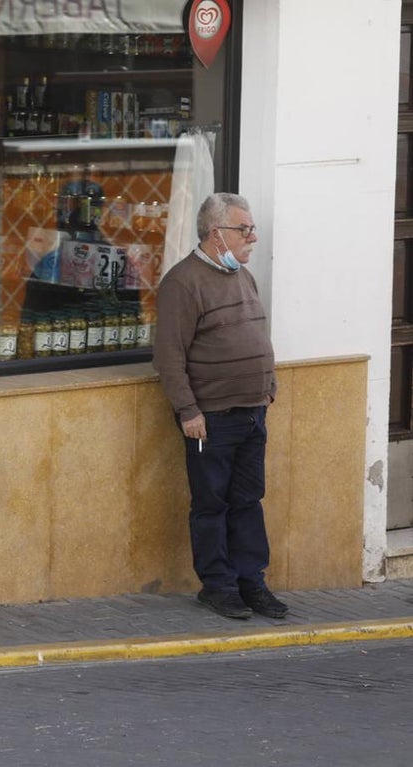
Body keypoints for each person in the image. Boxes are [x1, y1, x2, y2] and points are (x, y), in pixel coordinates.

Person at [153, 192, 289, 621]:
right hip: (210, 419)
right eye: (244, 228)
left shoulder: (242, 276)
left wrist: (267, 383)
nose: (253, 236)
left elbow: (255, 332)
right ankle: (218, 586)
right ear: (217, 234)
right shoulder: (183, 282)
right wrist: (188, 411)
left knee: (248, 501)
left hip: (252, 411)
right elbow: (169, 357)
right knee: (211, 505)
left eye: (251, 228)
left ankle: (253, 583)